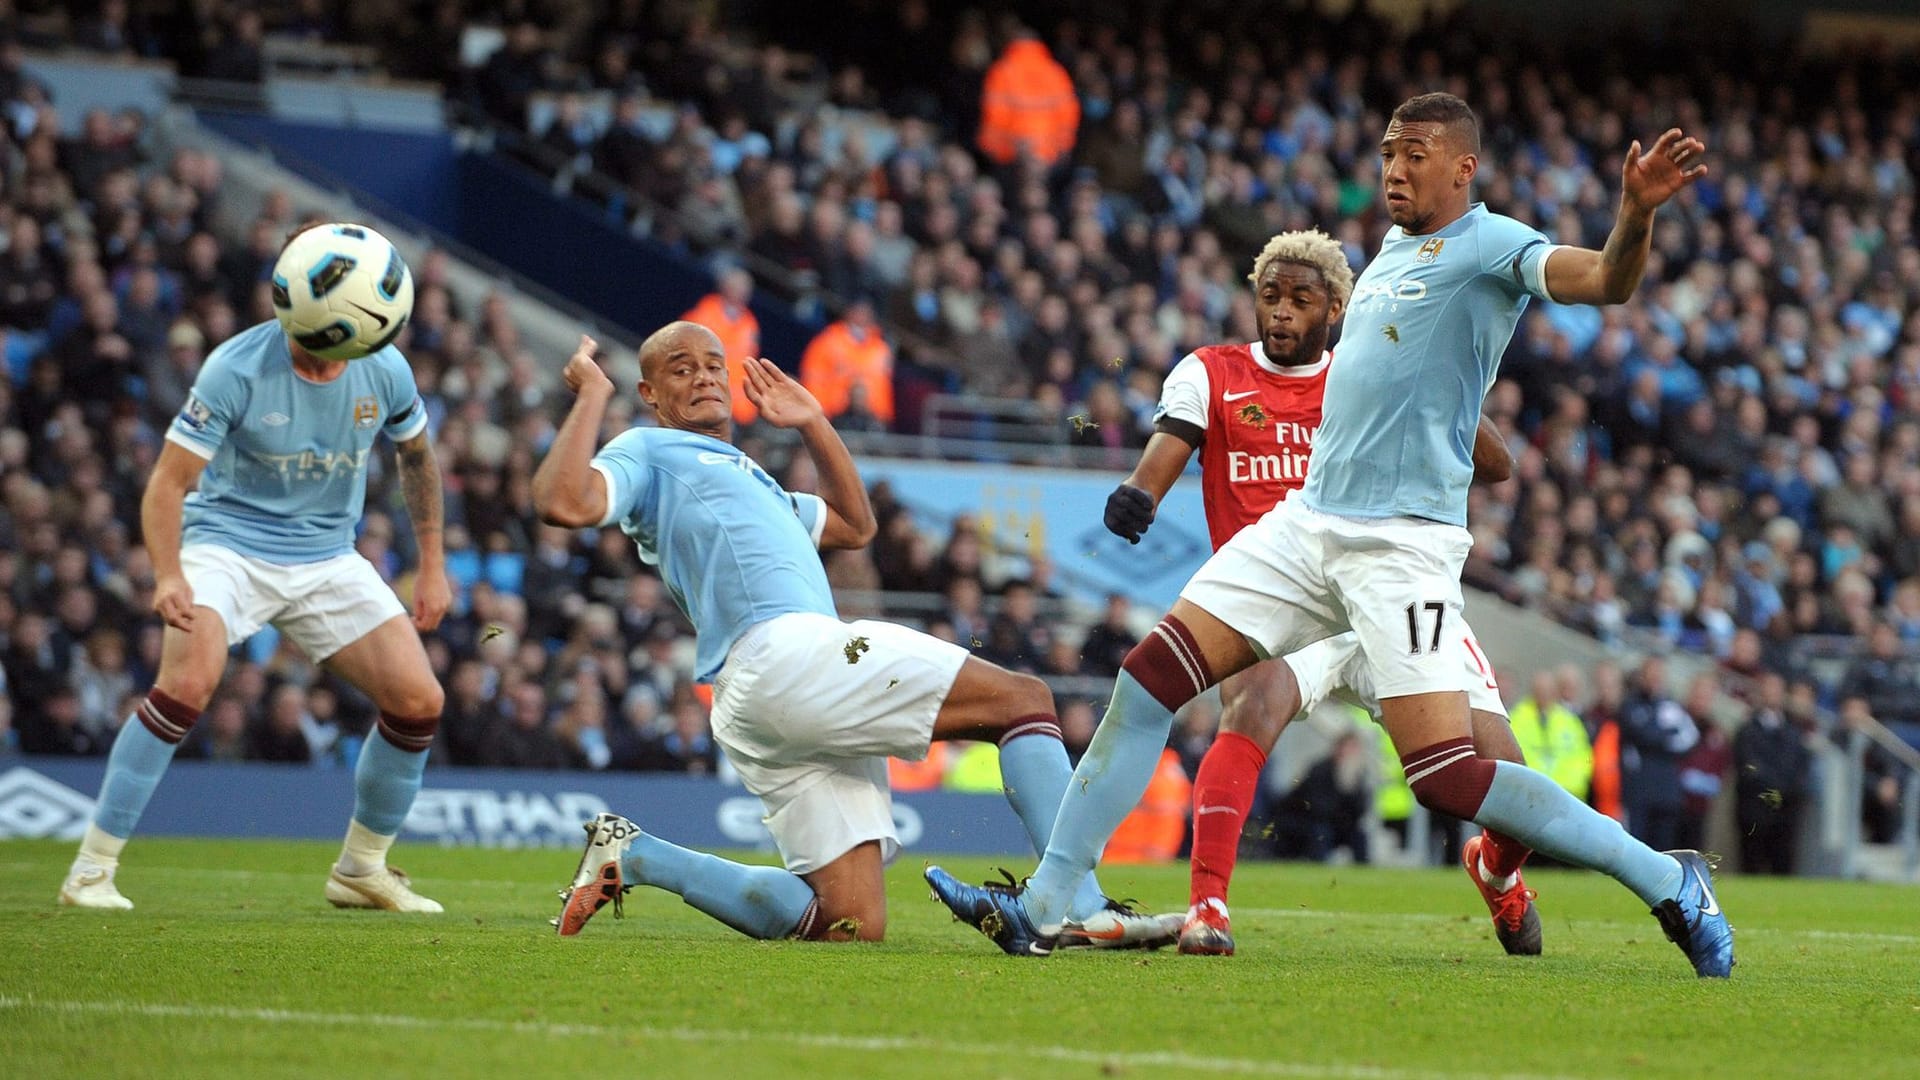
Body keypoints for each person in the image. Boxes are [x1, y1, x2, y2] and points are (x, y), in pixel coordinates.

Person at [928, 92, 1734, 978]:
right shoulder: (1388, 254)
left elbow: (1606, 284)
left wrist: (1633, 215)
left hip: (1401, 548)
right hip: (1309, 524)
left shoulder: (1491, 243)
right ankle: (1046, 906)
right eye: (1388, 151)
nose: (1393, 167)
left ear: (1463, 168)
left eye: (1416, 153)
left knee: (1449, 778)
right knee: (1149, 678)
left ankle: (1670, 881)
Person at [533, 323, 1175, 946]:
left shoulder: (754, 480)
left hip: (755, 697)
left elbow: (854, 524)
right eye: (681, 369)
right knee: (1023, 699)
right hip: (784, 654)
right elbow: (564, 501)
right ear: (648, 394)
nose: (704, 376)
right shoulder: (650, 451)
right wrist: (592, 396)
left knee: (848, 920)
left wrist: (814, 422)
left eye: (712, 364)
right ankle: (1077, 907)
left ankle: (639, 856)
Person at [1100, 228, 1538, 957]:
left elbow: (1497, 465)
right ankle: (1208, 907)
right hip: (1283, 596)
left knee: (1512, 783)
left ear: (1338, 308)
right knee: (1255, 703)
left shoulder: (1367, 372)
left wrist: (1436, 378)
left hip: (1388, 593)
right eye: (1269, 296)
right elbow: (1168, 446)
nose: (1280, 311)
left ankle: (1495, 870)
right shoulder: (1214, 372)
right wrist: (1140, 493)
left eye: (1300, 299)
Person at [59, 223, 450, 913]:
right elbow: (167, 483)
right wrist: (170, 574)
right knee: (186, 684)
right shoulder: (235, 368)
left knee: (419, 702)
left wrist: (435, 561)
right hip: (228, 547)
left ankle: (360, 870)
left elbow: (415, 458)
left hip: (329, 554)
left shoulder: (384, 367)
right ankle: (90, 871)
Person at [679, 267, 762, 427]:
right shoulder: (704, 313)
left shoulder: (750, 324)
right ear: (725, 287)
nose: (742, 292)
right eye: (738, 287)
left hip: (735, 404)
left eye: (745, 288)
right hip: (701, 393)